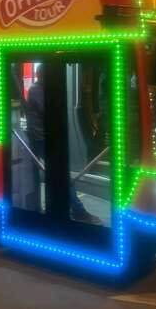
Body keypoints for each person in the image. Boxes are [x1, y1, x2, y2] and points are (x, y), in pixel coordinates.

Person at [25, 65, 101, 225]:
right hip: (42, 139)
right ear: (41, 75)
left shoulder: (40, 89)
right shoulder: (36, 90)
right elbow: (48, 111)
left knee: (54, 175)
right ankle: (78, 211)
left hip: (46, 137)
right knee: (61, 175)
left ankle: (59, 207)